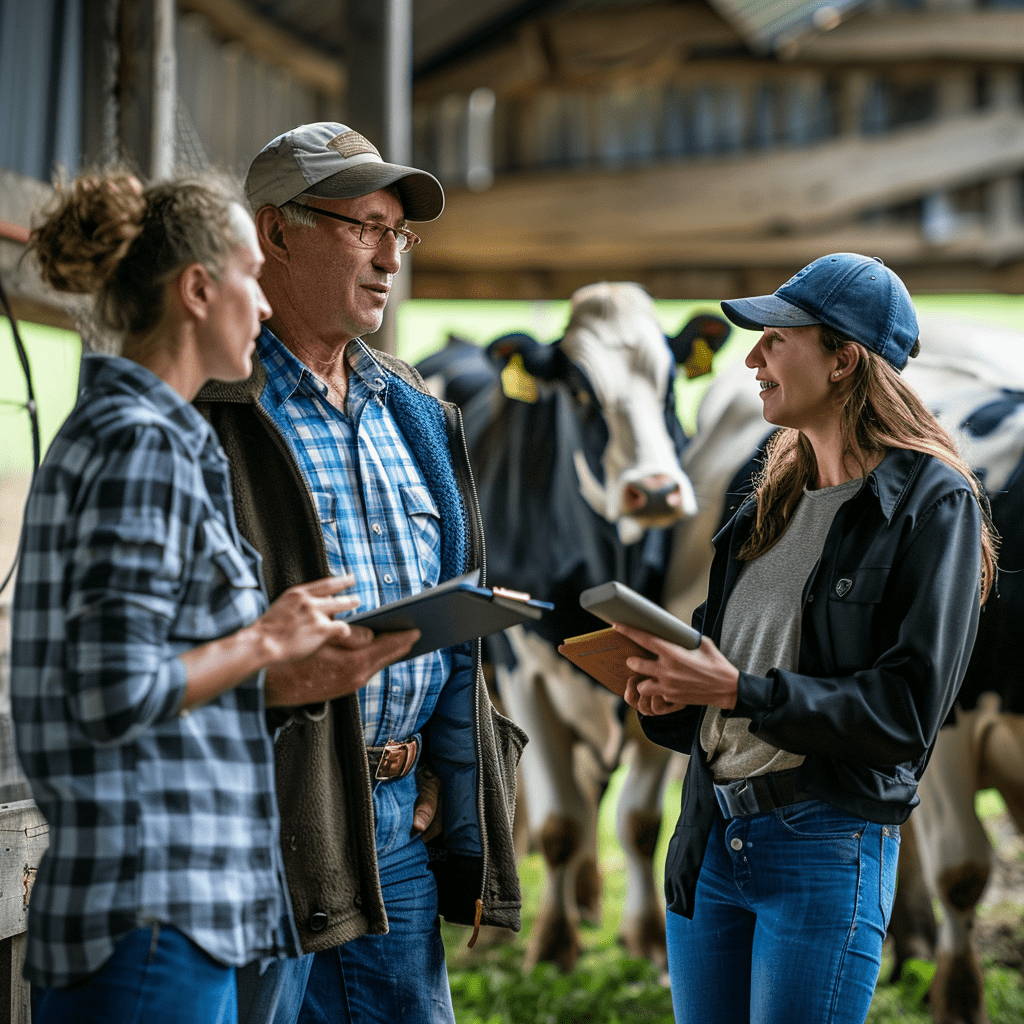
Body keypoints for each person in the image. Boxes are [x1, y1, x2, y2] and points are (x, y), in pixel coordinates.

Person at [11, 170, 418, 1024]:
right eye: (246, 276)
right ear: (198, 289)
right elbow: (116, 689)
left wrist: (289, 683)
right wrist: (266, 640)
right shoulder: (140, 446)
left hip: (168, 911)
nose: (264, 307)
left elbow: (162, 677)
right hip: (152, 911)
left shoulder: (141, 436)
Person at [192, 122, 523, 1024]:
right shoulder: (205, 413)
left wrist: (441, 778)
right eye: (363, 226)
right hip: (259, 828)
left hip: (396, 823)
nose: (389, 258)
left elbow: (454, 633)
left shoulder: (415, 412)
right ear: (276, 232)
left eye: (399, 234)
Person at [613, 253, 996, 1024]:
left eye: (775, 337)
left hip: (824, 847)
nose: (751, 357)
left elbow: (904, 715)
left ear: (843, 359)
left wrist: (737, 691)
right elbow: (725, 682)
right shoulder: (770, 496)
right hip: (710, 840)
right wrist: (668, 696)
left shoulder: (934, 504)